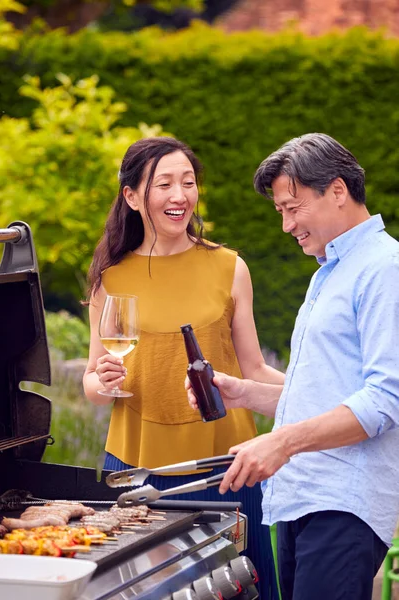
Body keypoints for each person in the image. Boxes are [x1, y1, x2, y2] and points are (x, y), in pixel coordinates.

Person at [187, 133, 399, 600]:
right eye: (280, 210)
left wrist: (281, 442)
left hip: (343, 506)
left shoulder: (385, 268)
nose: (285, 225)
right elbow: (326, 394)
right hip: (303, 499)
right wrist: (244, 392)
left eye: (292, 207)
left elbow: (385, 401)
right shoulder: (331, 271)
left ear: (338, 191)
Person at [83, 136, 285, 598]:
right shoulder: (110, 276)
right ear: (132, 197)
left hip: (225, 469)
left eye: (188, 183)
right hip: (139, 470)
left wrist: (323, 397)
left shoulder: (229, 267)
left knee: (242, 590)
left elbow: (253, 367)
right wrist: (104, 382)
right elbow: (93, 380)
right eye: (164, 185)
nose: (180, 196)